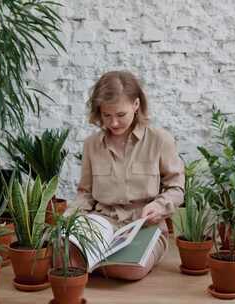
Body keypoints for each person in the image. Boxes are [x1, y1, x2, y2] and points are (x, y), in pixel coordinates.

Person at [67, 70, 185, 281]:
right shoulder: (91, 144)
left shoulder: (160, 140)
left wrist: (158, 207)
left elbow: (176, 188)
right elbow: (85, 194)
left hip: (144, 224)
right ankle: (97, 261)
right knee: (61, 257)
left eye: (120, 115)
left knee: (130, 269)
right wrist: (67, 219)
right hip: (102, 222)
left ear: (136, 105)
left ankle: (91, 264)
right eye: (106, 115)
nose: (113, 123)